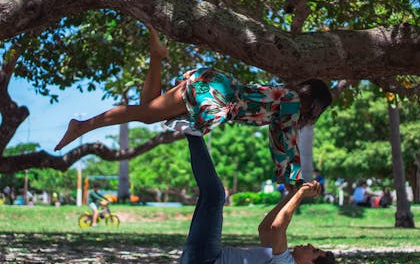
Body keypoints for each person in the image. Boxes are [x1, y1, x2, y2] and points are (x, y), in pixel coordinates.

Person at [55, 24, 332, 186]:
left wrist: (288, 176)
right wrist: (294, 180)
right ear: (315, 104)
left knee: (149, 111)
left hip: (213, 83)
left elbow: (278, 139)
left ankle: (157, 56)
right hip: (216, 95)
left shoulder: (286, 97)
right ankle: (82, 125)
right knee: (147, 113)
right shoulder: (294, 104)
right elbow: (286, 142)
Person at [180, 134, 336, 264]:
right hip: (203, 261)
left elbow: (277, 228)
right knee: (212, 195)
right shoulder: (282, 260)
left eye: (314, 250)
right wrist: (291, 195)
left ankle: (192, 129)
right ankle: (192, 131)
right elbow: (265, 229)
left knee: (215, 195)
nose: (310, 245)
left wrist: (300, 194)